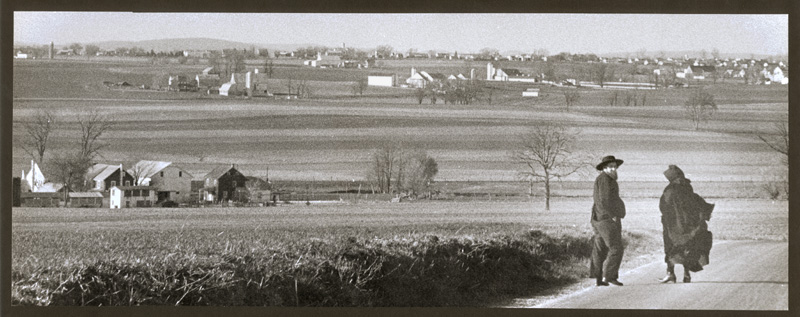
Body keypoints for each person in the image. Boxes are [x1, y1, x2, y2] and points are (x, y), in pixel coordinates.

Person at [658, 165, 714, 283]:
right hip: (688, 225)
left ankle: (671, 273)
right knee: (687, 248)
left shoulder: (669, 190)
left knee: (671, 247)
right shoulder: (687, 187)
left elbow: (664, 207)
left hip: (673, 226)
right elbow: (696, 201)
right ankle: (686, 274)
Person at [589, 155, 626, 286]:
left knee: (600, 248)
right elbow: (605, 200)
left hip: (598, 218)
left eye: (615, 167)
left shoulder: (602, 179)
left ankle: (599, 278)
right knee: (616, 248)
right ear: (604, 168)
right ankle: (608, 276)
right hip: (606, 219)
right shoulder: (606, 180)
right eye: (610, 167)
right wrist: (613, 215)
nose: (613, 169)